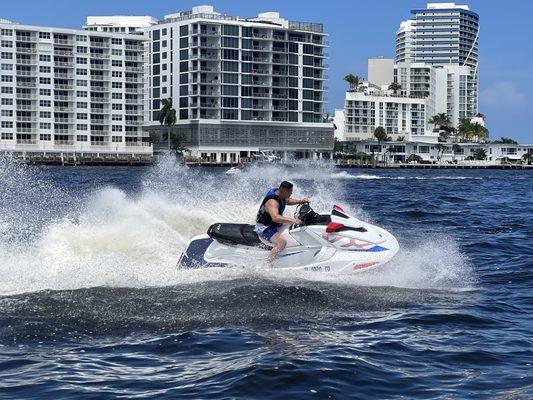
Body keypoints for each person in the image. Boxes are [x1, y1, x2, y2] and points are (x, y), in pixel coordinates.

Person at [255, 181, 308, 265]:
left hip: (273, 225)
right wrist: (292, 220)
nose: (291, 194)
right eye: (290, 193)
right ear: (284, 191)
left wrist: (300, 201)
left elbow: (286, 200)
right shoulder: (272, 202)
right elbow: (275, 217)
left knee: (294, 219)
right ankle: (268, 263)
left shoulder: (279, 193)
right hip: (264, 228)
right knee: (282, 243)